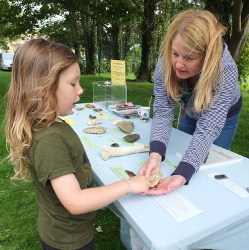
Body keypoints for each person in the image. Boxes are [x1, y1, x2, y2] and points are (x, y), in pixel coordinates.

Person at [5, 38, 150, 250]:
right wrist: (129, 184)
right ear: (43, 88)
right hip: (68, 240)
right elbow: (75, 202)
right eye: (73, 83)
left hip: (67, 231)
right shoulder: (49, 140)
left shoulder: (51, 123)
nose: (80, 90)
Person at [139, 9, 242, 195]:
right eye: (175, 54)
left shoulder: (226, 71)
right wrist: (155, 155)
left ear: (207, 56)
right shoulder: (165, 64)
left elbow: (209, 127)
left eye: (189, 58)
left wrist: (183, 173)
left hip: (223, 116)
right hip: (190, 108)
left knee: (208, 166)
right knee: (180, 154)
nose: (178, 64)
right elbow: (163, 111)